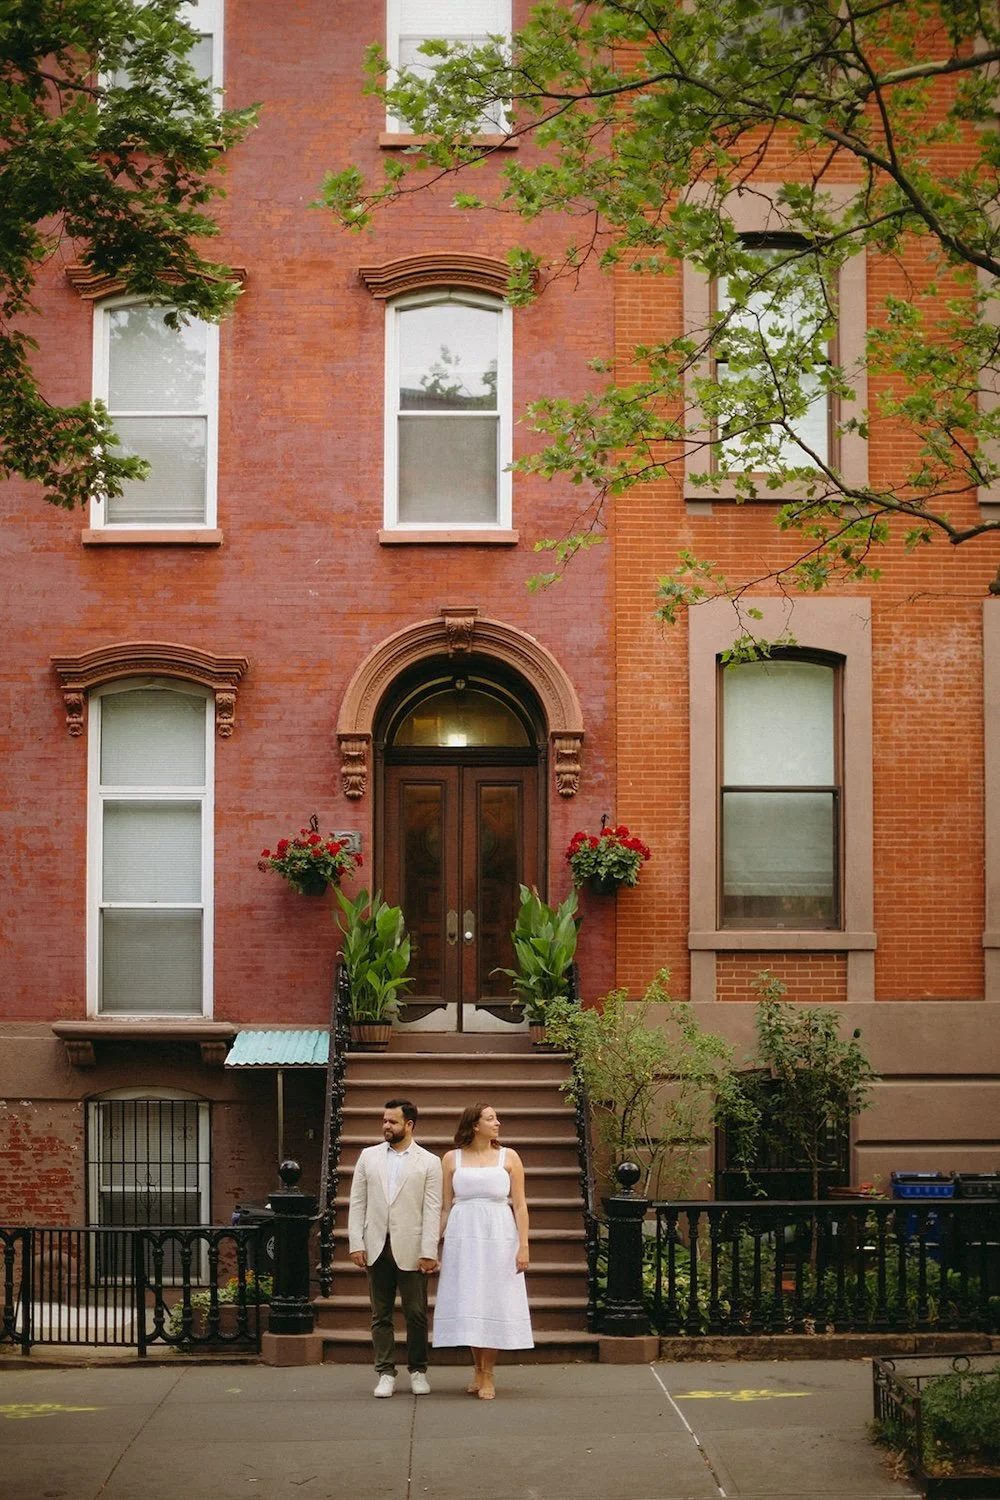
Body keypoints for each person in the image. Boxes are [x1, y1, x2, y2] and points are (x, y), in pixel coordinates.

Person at [431, 1101, 533, 1400]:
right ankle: (477, 1367)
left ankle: (489, 1373)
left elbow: (521, 1204)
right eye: (491, 1118)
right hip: (463, 1236)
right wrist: (432, 1245)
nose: (497, 1122)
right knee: (471, 1300)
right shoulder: (451, 1159)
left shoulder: (509, 1157)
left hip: (499, 1234)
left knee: (493, 1300)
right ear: (475, 1125)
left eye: (496, 1118)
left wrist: (523, 1245)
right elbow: (445, 1207)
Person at [348, 1098, 442, 1398]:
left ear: (409, 1125)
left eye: (392, 1122)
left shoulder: (429, 1161)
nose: (386, 1126)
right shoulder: (368, 1157)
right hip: (376, 1245)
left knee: (416, 1313)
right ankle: (385, 1372)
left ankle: (418, 1370)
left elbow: (432, 1208)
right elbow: (358, 1203)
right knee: (381, 1314)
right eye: (384, 1120)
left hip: (412, 1247)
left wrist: (429, 1250)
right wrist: (356, 1243)